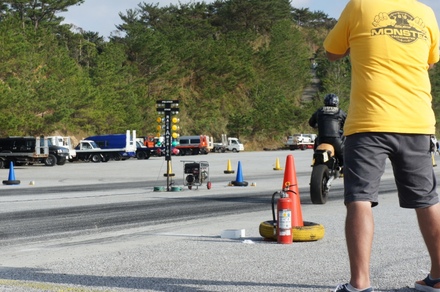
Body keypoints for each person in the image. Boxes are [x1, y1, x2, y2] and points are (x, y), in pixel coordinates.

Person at [323, 0, 440, 291]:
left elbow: (331, 52)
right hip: (416, 121)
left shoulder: (359, 5)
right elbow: (429, 60)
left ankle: (359, 284)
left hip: (369, 122)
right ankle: (438, 279)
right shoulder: (425, 13)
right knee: (427, 200)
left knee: (359, 198)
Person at [308, 93, 347, 168]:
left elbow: (311, 123)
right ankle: (343, 169)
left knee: (316, 147)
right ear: (337, 103)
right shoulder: (340, 112)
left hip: (321, 139)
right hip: (335, 139)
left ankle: (317, 160)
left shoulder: (319, 111)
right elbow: (347, 122)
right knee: (343, 156)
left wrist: (317, 126)